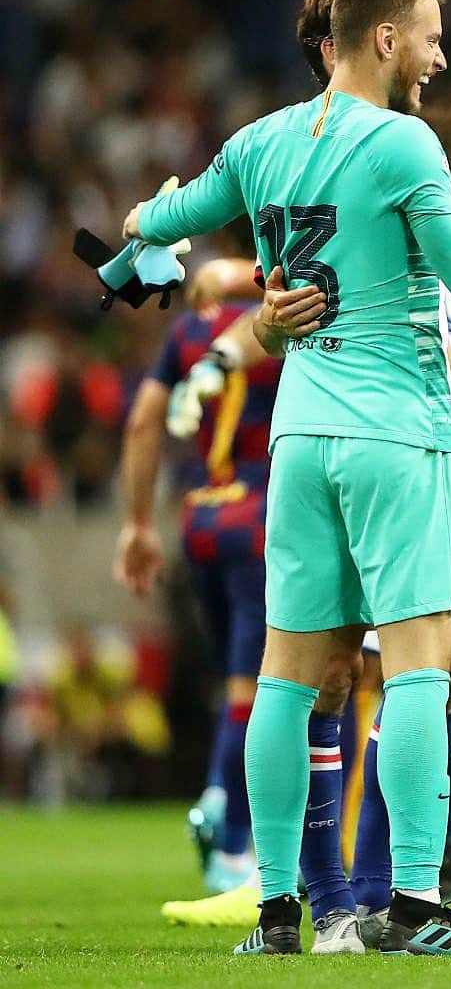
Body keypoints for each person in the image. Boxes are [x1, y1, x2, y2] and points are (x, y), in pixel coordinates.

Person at [122, 0, 451, 958]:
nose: (438, 53)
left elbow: (142, 238)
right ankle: (420, 912)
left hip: (298, 437)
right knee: (425, 664)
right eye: (428, 33)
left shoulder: (256, 144)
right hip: (397, 430)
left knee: (288, 676)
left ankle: (277, 916)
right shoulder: (404, 144)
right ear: (384, 39)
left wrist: (225, 288)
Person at [114, 297, 276, 897]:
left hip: (201, 517)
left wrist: (135, 522)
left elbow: (141, 421)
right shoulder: (282, 309)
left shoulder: (189, 329)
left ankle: (219, 791)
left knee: (235, 681)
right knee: (263, 686)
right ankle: (232, 837)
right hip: (265, 513)